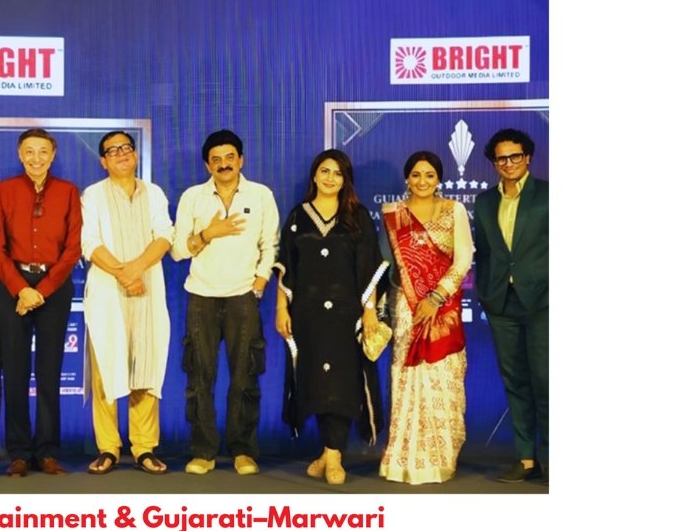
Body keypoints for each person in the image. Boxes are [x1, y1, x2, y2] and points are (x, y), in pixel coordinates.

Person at [171, 129, 279, 475]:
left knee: (245, 376)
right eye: (215, 159)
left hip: (243, 297)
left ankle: (242, 450)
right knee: (199, 378)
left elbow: (270, 245)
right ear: (207, 165)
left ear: (241, 160)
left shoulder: (261, 195)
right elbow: (177, 251)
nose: (223, 164)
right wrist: (208, 234)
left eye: (229, 157)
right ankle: (203, 451)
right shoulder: (193, 197)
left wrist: (259, 283)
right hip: (201, 296)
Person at [273, 149, 383, 485]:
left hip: (346, 315)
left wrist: (369, 311)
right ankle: (328, 451)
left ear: (345, 179)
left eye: (337, 173)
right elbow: (286, 267)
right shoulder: (298, 216)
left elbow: (369, 267)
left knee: (342, 382)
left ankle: (333, 455)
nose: (330, 178)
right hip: (307, 315)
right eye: (325, 171)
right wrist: (281, 308)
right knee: (317, 380)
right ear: (314, 175)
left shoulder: (357, 216)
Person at [0, 128, 82, 477]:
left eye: (43, 151)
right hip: (13, 286)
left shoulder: (68, 192)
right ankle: (19, 452)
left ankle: (47, 451)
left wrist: (42, 289)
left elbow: (73, 248)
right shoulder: (5, 191)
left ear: (53, 155)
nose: (36, 158)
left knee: (49, 370)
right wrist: (20, 289)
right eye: (29, 151)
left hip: (53, 287)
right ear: (20, 154)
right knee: (14, 371)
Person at [81, 131, 174, 475]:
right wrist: (124, 275)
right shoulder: (93, 195)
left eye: (126, 148)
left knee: (146, 366)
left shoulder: (154, 193)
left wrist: (135, 270)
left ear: (135, 155)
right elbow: (89, 242)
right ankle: (108, 447)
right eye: (112, 151)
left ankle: (144, 447)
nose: (121, 154)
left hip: (147, 290)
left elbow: (165, 235)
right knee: (107, 368)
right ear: (103, 161)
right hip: (109, 292)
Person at [378, 151, 473, 484]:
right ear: (407, 178)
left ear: (439, 179)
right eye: (416, 175)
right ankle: (402, 458)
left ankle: (441, 457)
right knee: (407, 376)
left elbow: (463, 258)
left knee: (443, 379)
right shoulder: (393, 214)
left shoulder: (454, 210)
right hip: (407, 307)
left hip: (443, 308)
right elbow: (386, 266)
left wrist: (436, 297)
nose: (422, 181)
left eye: (429, 175)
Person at [473, 128, 548, 483]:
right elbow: (486, 253)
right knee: (515, 381)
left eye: (515, 156)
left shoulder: (549, 195)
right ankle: (526, 458)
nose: (508, 163)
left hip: (544, 302)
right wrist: (488, 293)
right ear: (493, 163)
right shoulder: (485, 202)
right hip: (502, 303)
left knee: (547, 381)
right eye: (501, 158)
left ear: (527, 157)